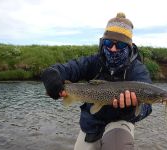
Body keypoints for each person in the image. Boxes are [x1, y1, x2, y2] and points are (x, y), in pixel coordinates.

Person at [42, 12, 152, 150]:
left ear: (129, 46)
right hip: (91, 122)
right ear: (102, 42)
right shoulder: (93, 61)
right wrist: (52, 73)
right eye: (108, 42)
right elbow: (68, 69)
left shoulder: (138, 70)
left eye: (120, 45)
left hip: (120, 121)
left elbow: (147, 108)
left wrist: (129, 110)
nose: (112, 49)